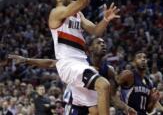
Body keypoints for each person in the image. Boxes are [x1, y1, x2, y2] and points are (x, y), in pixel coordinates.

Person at [8, 38, 136, 115]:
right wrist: (26, 60)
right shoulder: (78, 62)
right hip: (75, 106)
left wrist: (126, 107)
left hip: (93, 108)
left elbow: (112, 97)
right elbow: (52, 63)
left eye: (104, 43)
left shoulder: (109, 70)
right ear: (90, 49)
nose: (103, 44)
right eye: (98, 43)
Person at [48, 0, 120, 114]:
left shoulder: (78, 15)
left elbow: (96, 31)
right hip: (68, 64)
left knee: (96, 110)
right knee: (104, 85)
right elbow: (83, 2)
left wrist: (105, 20)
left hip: (81, 63)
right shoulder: (56, 12)